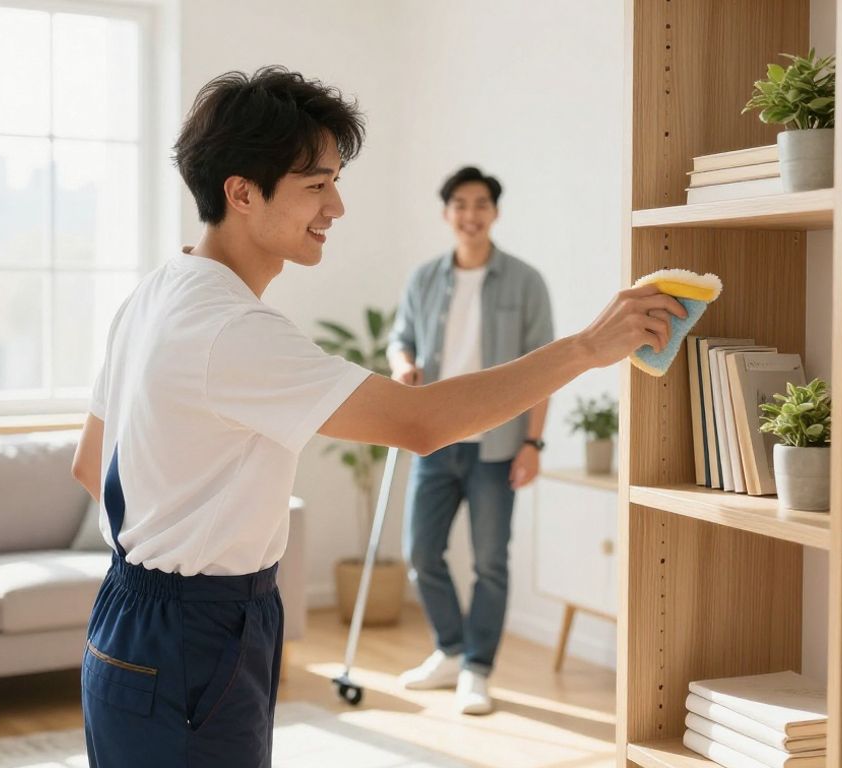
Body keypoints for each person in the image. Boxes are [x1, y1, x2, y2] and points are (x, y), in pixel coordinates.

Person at [70, 65, 684, 768]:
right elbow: (419, 424)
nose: (336, 207)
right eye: (316, 185)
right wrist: (587, 348)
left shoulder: (156, 292)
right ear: (242, 192)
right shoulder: (231, 329)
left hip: (127, 622)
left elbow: (90, 464)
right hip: (196, 634)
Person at [388, 166, 552, 715]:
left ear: (495, 213)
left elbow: (543, 370)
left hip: (498, 446)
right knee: (421, 553)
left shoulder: (526, 281)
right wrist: (404, 366)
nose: (471, 214)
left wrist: (534, 444)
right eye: (460, 204)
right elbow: (400, 340)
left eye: (481, 204)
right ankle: (451, 650)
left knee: (489, 562)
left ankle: (477, 669)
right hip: (434, 438)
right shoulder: (424, 279)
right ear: (447, 213)